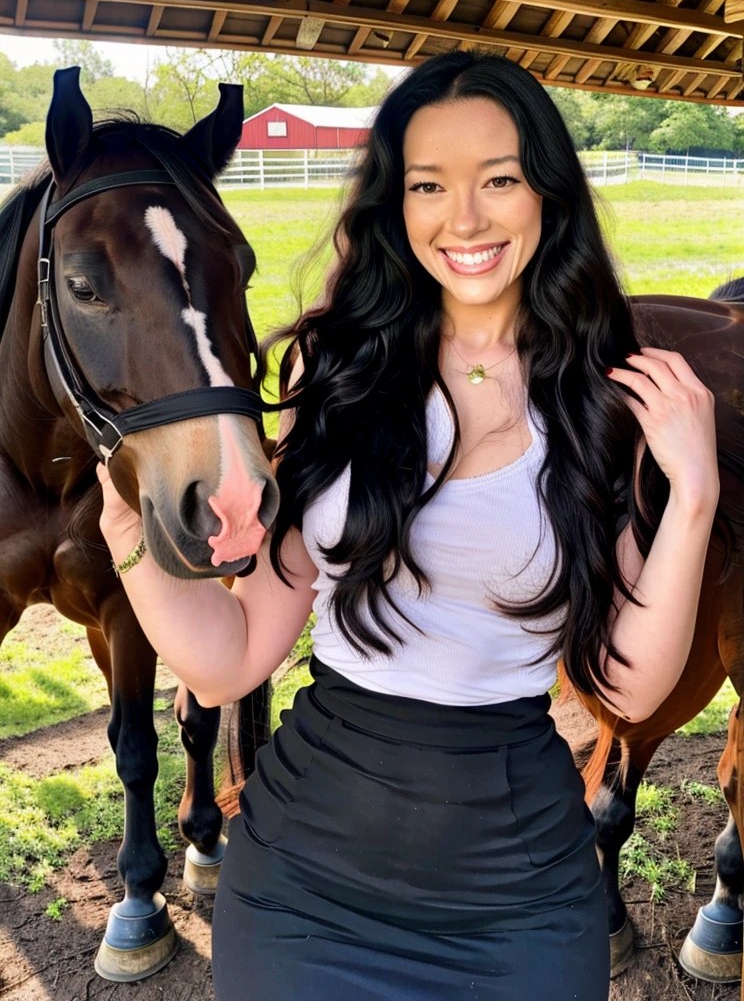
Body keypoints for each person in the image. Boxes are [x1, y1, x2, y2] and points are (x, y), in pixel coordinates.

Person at [98, 51, 719, 1001]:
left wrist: (695, 493)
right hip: (303, 879)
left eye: (498, 181)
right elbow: (228, 662)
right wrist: (129, 540)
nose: (462, 218)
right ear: (396, 206)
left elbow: (630, 694)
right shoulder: (343, 381)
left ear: (548, 194)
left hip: (520, 895)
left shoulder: (606, 402)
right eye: (429, 185)